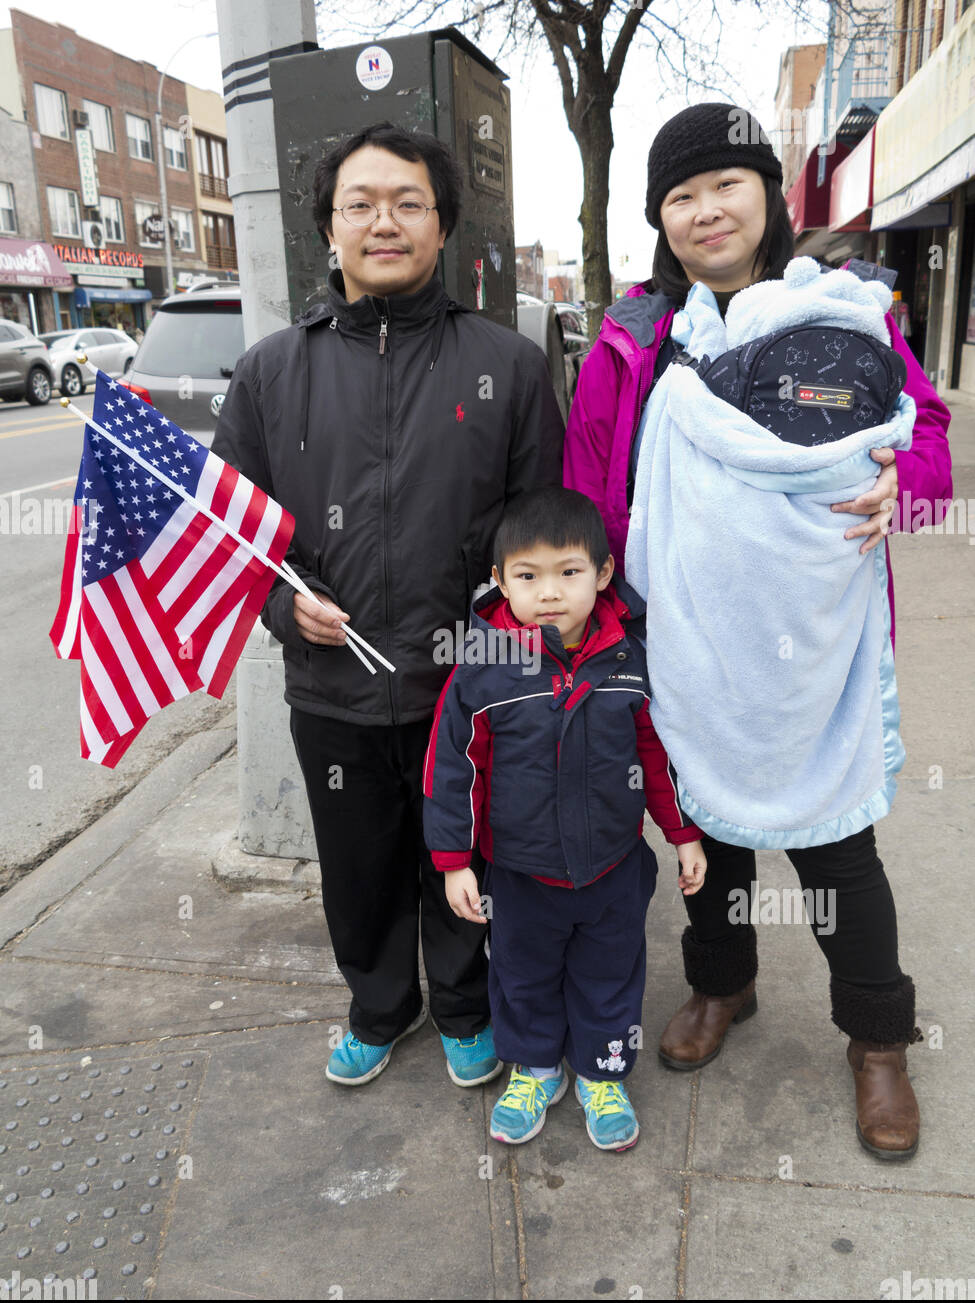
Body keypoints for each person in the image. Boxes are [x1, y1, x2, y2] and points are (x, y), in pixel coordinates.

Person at [563, 103, 953, 1160]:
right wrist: (593, 608)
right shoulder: (635, 341)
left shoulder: (842, 313)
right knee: (709, 840)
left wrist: (901, 489)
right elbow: (591, 486)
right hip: (685, 645)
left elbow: (929, 446)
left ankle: (877, 1039)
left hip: (815, 654)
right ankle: (722, 986)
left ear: (770, 196)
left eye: (726, 184)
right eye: (681, 196)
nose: (705, 210)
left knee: (837, 849)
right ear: (662, 220)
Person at [213, 122, 564, 1090]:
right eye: (360, 203)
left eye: (408, 202)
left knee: (464, 860)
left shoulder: (510, 364)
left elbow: (542, 534)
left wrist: (501, 629)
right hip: (332, 684)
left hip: (471, 683)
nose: (384, 221)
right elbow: (235, 540)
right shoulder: (272, 371)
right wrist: (290, 613)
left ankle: (461, 1006)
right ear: (328, 228)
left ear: (442, 225)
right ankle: (378, 1005)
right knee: (359, 866)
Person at [422, 487, 707, 1151]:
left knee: (609, 974)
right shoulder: (483, 668)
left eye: (568, 573)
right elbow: (452, 768)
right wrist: (454, 861)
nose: (548, 592)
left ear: (603, 574)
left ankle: (603, 1073)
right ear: (498, 582)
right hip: (519, 873)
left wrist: (682, 834)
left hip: (612, 866)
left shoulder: (628, 661)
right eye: (527, 576)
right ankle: (535, 1068)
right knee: (521, 977)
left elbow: (655, 754)